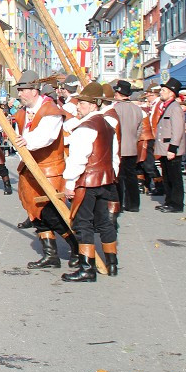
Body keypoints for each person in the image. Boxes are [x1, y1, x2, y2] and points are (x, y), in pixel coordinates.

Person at [13, 70, 79, 270]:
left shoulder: (50, 110)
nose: (20, 94)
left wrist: (26, 142)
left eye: (23, 90)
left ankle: (77, 248)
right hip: (30, 169)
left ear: (34, 91)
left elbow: (46, 137)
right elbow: (18, 134)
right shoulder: (23, 112)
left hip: (50, 169)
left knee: (53, 212)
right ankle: (50, 255)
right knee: (34, 212)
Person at [62, 82, 120, 281]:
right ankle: (112, 264)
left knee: (82, 223)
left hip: (88, 181)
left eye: (82, 103)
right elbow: (115, 157)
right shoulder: (107, 125)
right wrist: (112, 175)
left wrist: (69, 183)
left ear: (93, 104)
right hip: (106, 180)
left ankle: (87, 269)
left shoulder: (86, 127)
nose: (78, 106)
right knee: (104, 222)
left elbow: (78, 158)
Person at [153, 76, 186, 213]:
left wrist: (173, 148)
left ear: (171, 93)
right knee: (167, 176)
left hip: (172, 149)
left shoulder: (175, 108)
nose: (161, 92)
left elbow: (178, 130)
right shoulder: (168, 106)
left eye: (163, 90)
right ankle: (169, 201)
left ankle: (176, 204)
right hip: (165, 149)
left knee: (175, 178)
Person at [109, 80, 143, 213]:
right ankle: (133, 204)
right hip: (132, 147)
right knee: (131, 177)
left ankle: (119, 204)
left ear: (118, 93)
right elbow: (139, 129)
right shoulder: (137, 109)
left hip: (119, 148)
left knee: (118, 177)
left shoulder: (115, 109)